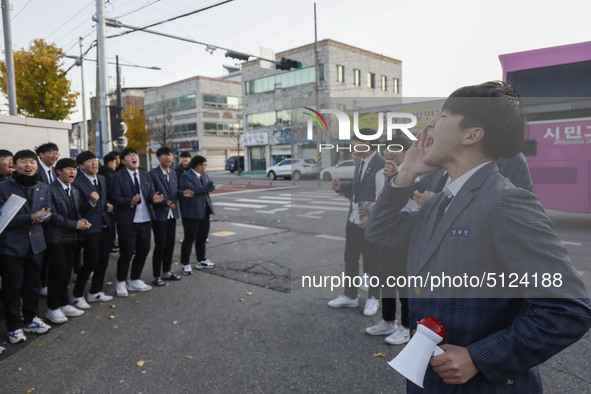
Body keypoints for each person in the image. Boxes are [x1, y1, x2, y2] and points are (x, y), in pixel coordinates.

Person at [365, 81, 591, 392]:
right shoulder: (438, 202)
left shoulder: (506, 202)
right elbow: (379, 232)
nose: (430, 124)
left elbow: (569, 310)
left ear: (472, 135)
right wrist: (405, 174)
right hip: (428, 379)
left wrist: (478, 357)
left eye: (443, 116)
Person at [327, 129, 385, 316]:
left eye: (355, 141)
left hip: (370, 222)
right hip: (353, 220)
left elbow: (384, 197)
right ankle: (350, 296)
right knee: (350, 259)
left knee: (372, 263)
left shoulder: (381, 164)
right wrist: (341, 187)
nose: (352, 145)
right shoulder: (360, 161)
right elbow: (357, 188)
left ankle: (373, 298)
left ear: (367, 144)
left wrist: (373, 218)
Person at [0, 150, 52, 343]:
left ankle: (30, 319)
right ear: (15, 165)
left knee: (33, 286)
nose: (28, 165)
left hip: (36, 244)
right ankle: (14, 327)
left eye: (32, 162)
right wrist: (30, 217)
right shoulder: (4, 187)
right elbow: (2, 218)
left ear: (37, 166)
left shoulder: (42, 187)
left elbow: (48, 210)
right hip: (11, 246)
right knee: (12, 288)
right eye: (23, 162)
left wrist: (45, 216)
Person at [366, 136, 414, 344]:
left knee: (403, 282)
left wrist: (399, 178)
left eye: (394, 149)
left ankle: (406, 326)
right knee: (385, 277)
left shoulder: (413, 173)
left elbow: (414, 204)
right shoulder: (380, 174)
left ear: (405, 152)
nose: (389, 153)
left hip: (405, 234)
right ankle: (387, 321)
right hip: (385, 233)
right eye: (386, 149)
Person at [43, 158, 91, 324]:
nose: (73, 172)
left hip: (72, 236)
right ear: (58, 171)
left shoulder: (75, 190)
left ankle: (63, 303)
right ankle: (52, 308)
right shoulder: (49, 189)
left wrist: (82, 222)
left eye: (74, 169)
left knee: (67, 272)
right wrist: (74, 224)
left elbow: (77, 212)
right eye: (68, 169)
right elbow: (50, 214)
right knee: (57, 272)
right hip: (56, 237)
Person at [110, 148, 163, 296]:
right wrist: (130, 201)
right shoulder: (117, 177)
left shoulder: (145, 175)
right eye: (130, 156)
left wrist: (154, 198)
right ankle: (120, 282)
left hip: (145, 219)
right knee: (126, 253)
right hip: (127, 221)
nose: (134, 158)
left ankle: (134, 280)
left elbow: (151, 192)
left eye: (135, 155)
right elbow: (114, 198)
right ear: (122, 161)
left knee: (143, 251)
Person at [72, 151, 114, 306]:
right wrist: (90, 202)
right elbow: (77, 208)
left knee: (103, 260)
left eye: (95, 160)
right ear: (81, 166)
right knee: (91, 261)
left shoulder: (102, 178)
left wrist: (109, 205)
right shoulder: (77, 182)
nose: (94, 163)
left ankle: (95, 292)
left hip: (105, 224)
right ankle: (77, 295)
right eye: (90, 161)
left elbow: (104, 198)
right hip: (89, 226)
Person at [149, 147, 183, 286]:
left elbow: (174, 193)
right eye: (165, 156)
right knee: (160, 244)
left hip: (172, 214)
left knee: (170, 244)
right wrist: (163, 202)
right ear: (158, 157)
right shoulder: (152, 174)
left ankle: (166, 272)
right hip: (159, 214)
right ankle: (156, 275)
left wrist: (183, 193)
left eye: (170, 155)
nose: (168, 158)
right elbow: (151, 194)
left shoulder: (174, 173)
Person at [179, 155, 215, 275]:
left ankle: (201, 260)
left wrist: (210, 188)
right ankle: (185, 263)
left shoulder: (204, 175)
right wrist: (206, 187)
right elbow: (191, 190)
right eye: (205, 165)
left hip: (205, 211)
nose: (206, 167)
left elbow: (207, 187)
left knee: (202, 238)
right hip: (191, 212)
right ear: (199, 166)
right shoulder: (186, 176)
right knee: (189, 239)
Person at [35, 142, 60, 297]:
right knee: (41, 255)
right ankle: (41, 284)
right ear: (41, 155)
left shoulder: (55, 171)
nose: (54, 155)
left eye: (56, 152)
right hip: (41, 217)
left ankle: (44, 282)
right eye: (50, 152)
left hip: (54, 217)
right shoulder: (36, 171)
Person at [99, 153, 118, 252]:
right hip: (109, 205)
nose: (116, 165)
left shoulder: (104, 174)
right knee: (110, 225)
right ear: (110, 163)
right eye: (115, 163)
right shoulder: (108, 175)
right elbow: (111, 191)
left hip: (107, 204)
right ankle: (111, 245)